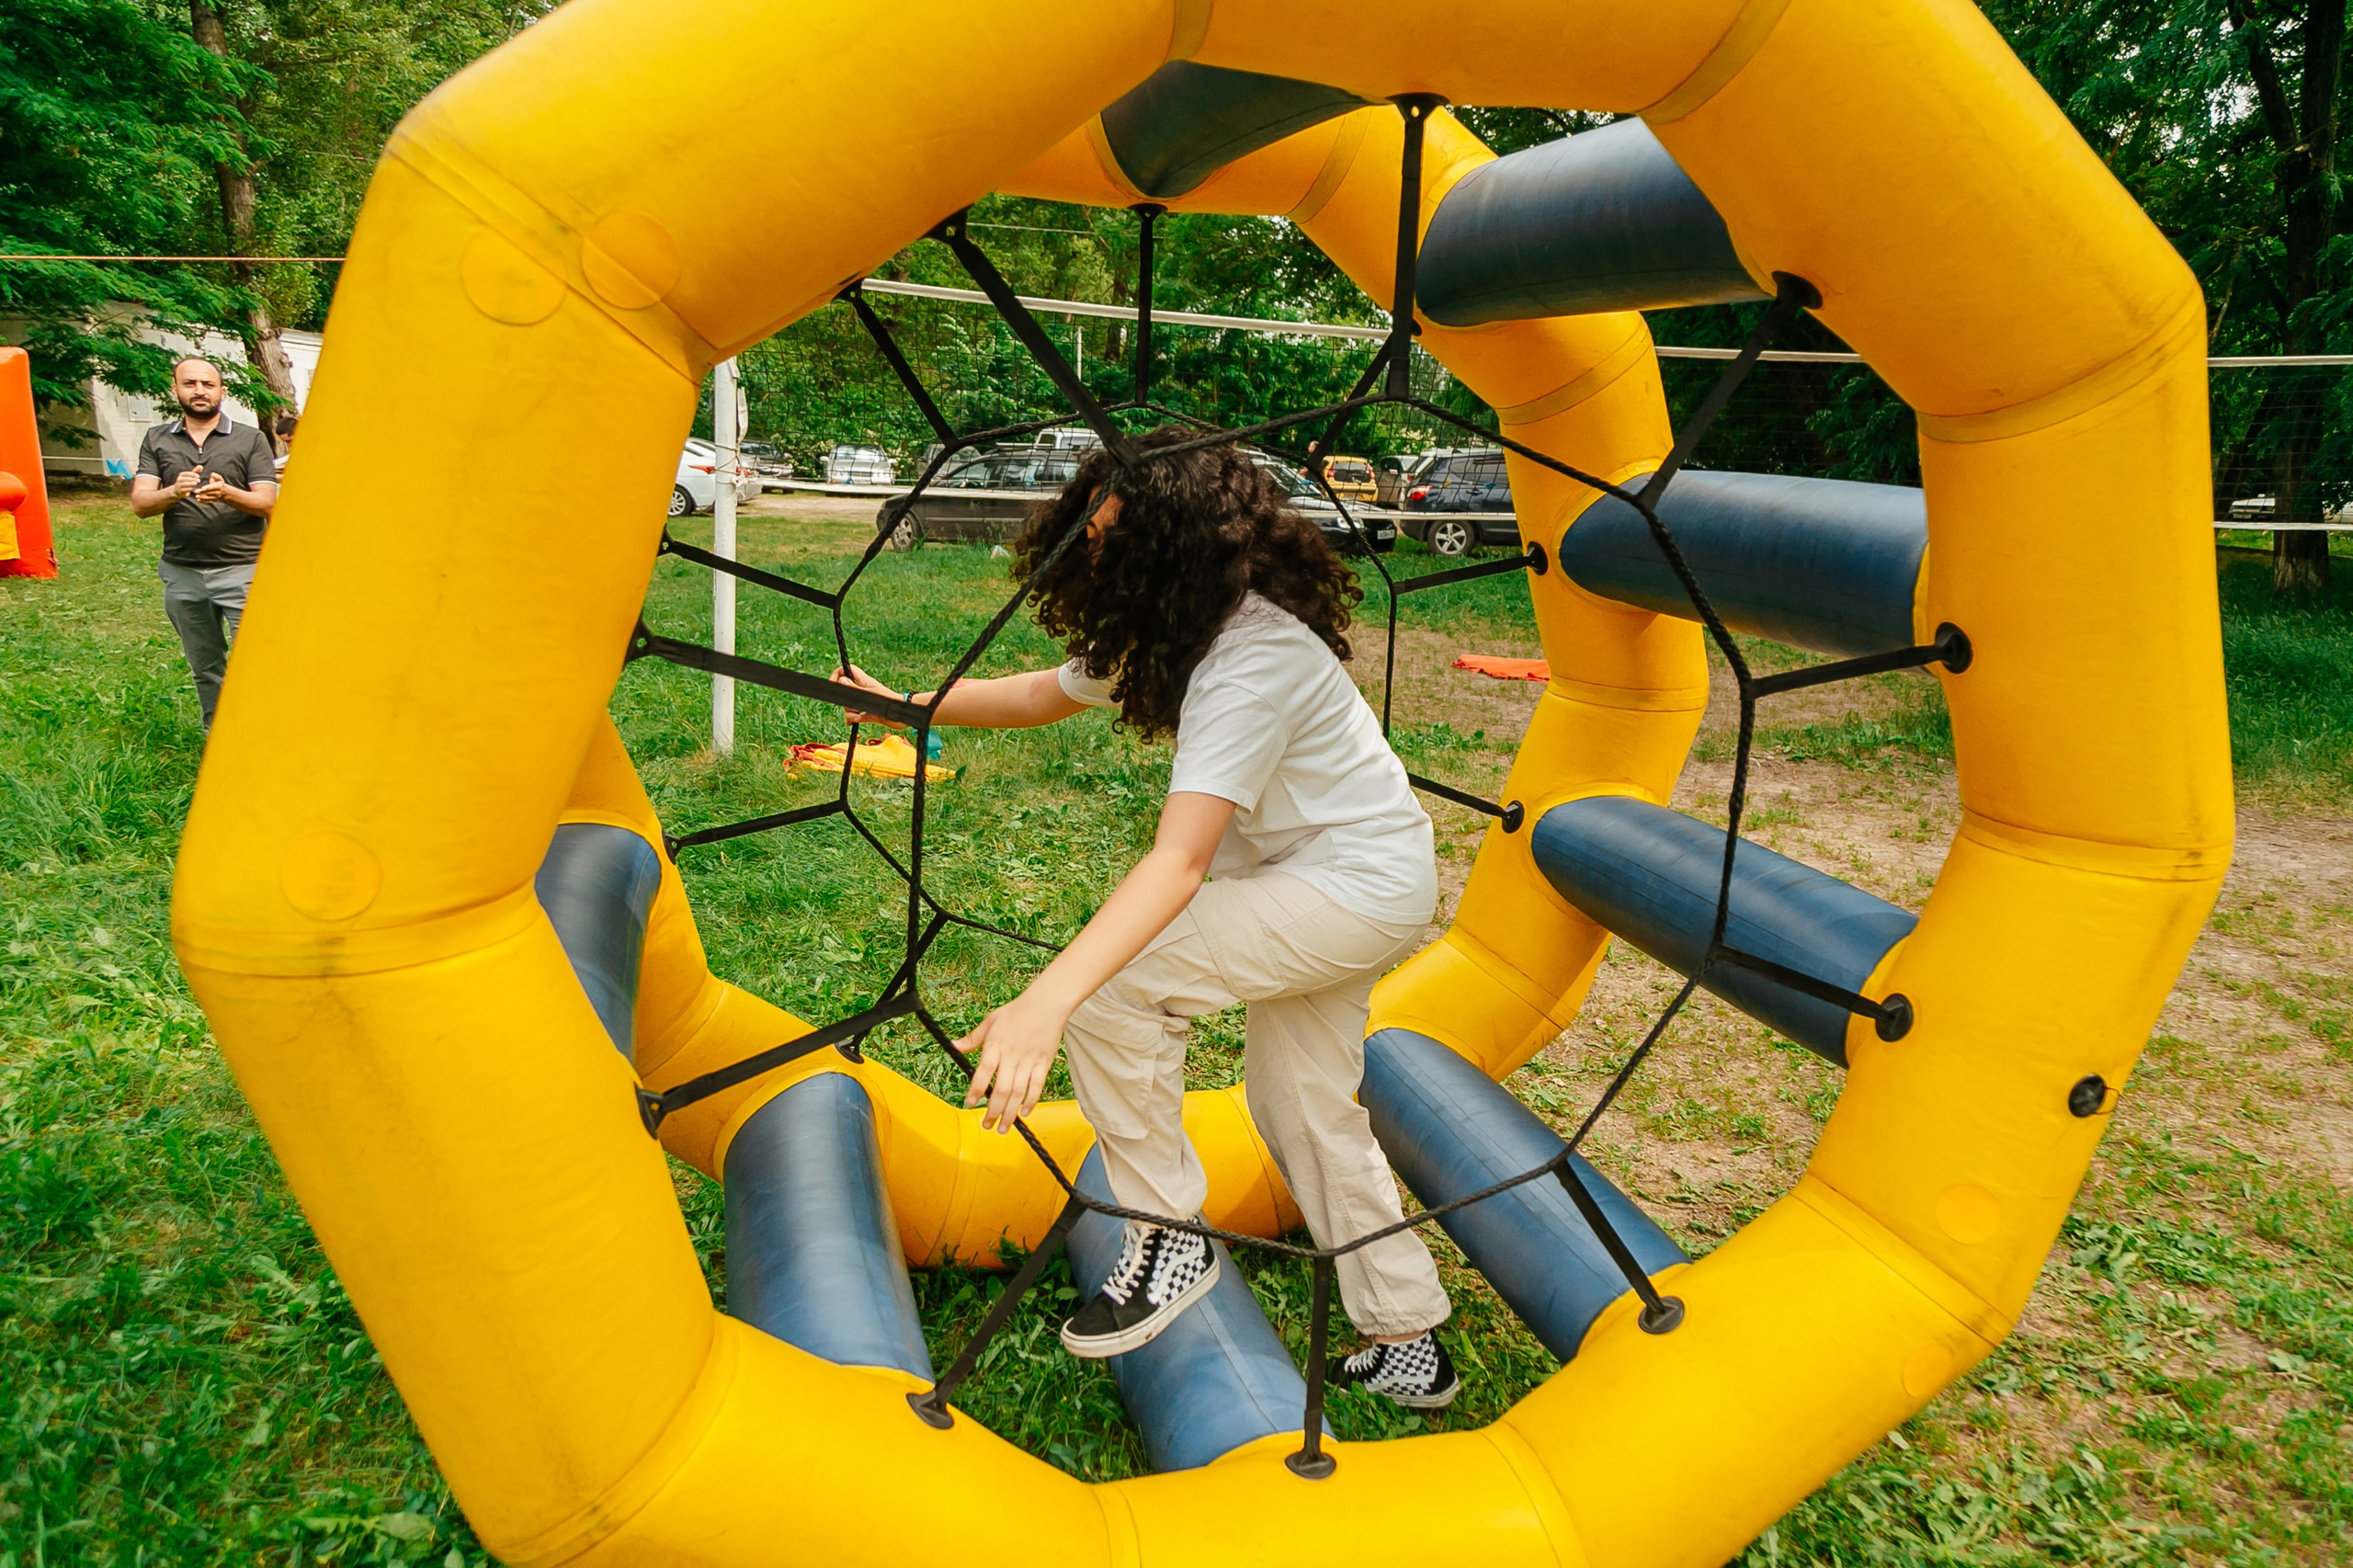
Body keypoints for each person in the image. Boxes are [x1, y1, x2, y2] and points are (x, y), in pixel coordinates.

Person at [834, 431, 1458, 1408]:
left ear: (1179, 548)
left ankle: (1168, 1234)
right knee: (1299, 1104)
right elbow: (1046, 691)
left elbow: (1179, 861)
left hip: (1352, 883)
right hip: (1348, 875)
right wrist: (915, 708)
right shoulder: (1177, 622)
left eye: (1115, 539)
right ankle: (1407, 1332)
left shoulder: (1250, 655)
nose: (1095, 552)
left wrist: (1046, 1000)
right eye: (1091, 530)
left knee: (1115, 984)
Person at [129, 358, 278, 731]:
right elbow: (140, 505)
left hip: (244, 571)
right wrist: (174, 492)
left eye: (208, 384)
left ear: (222, 391)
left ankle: (263, 735)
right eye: (191, 383)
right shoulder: (158, 439)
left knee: (257, 663)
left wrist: (227, 493)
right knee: (205, 666)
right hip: (183, 574)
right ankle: (218, 740)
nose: (200, 391)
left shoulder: (250, 439)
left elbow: (268, 504)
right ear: (175, 389)